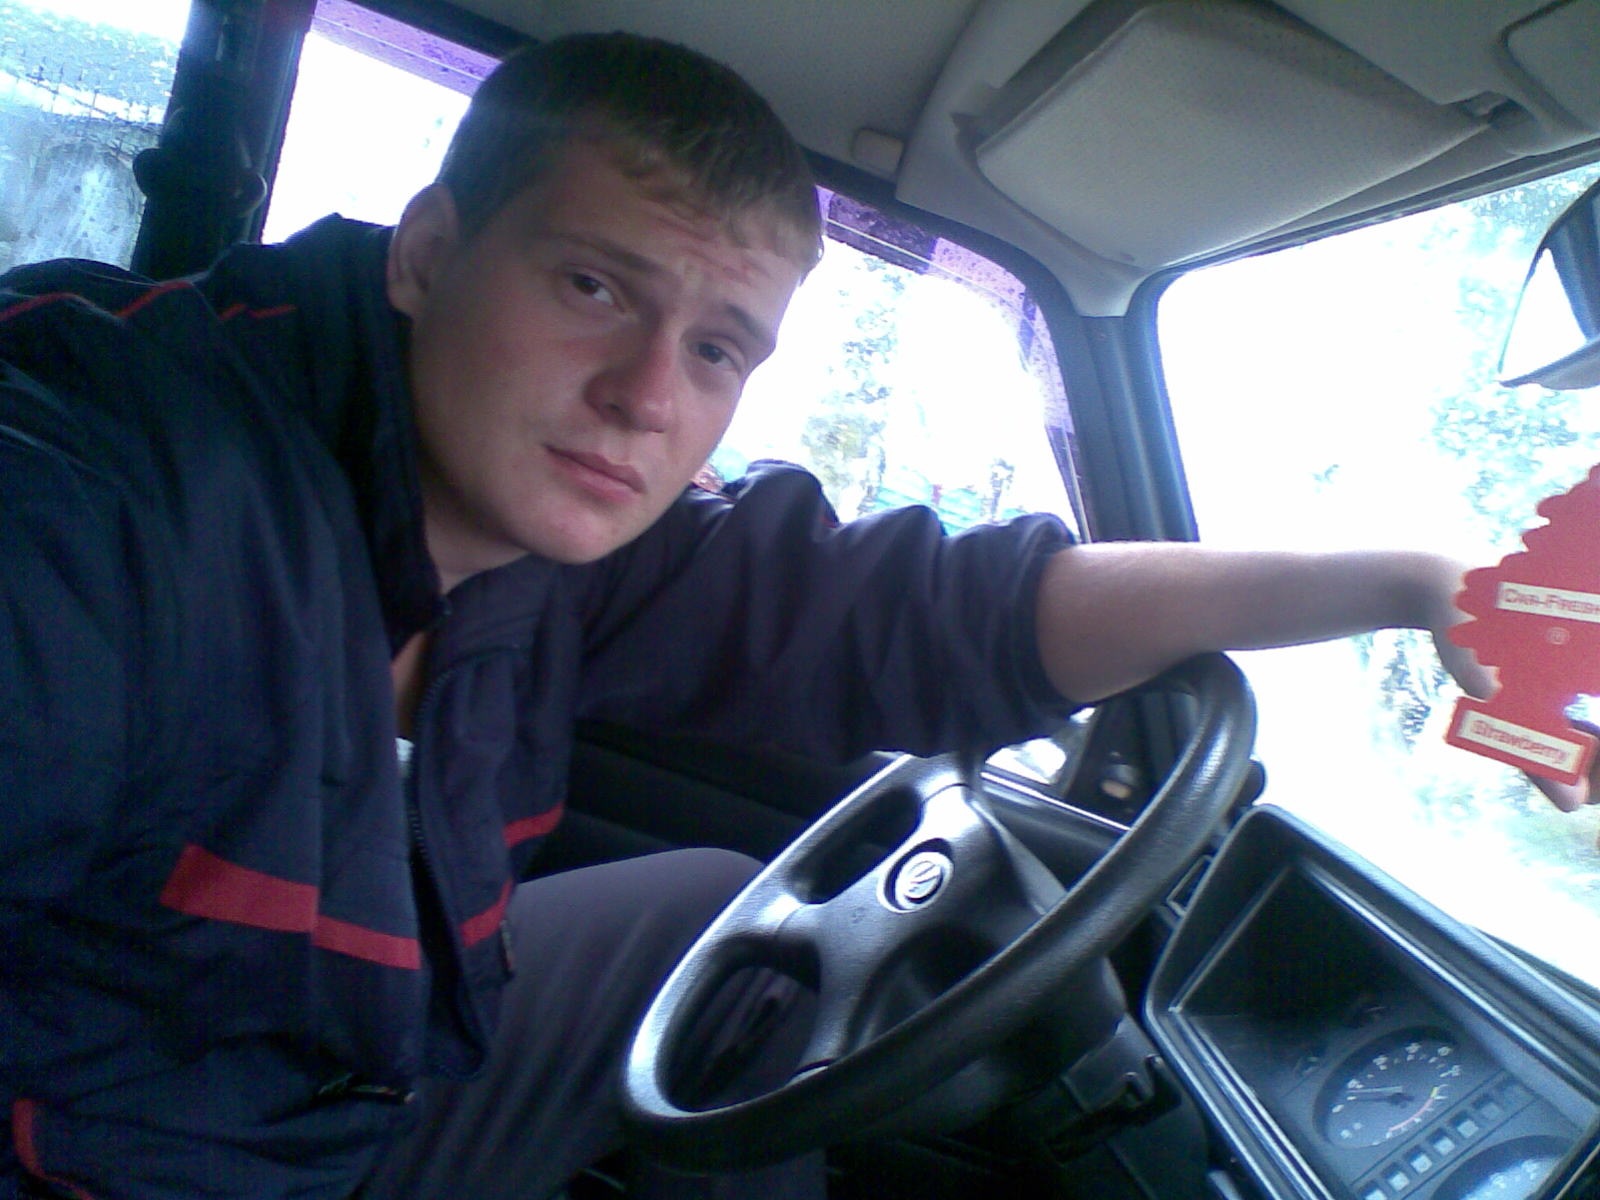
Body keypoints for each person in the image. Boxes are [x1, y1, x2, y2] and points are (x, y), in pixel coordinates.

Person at [0, 28, 1577, 1200]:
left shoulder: (554, 533)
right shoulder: (98, 493)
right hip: (126, 1156)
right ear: (428, 255)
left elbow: (933, 612)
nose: (645, 396)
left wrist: (1411, 583)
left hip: (369, 1078)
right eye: (596, 288)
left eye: (718, 350)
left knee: (724, 938)